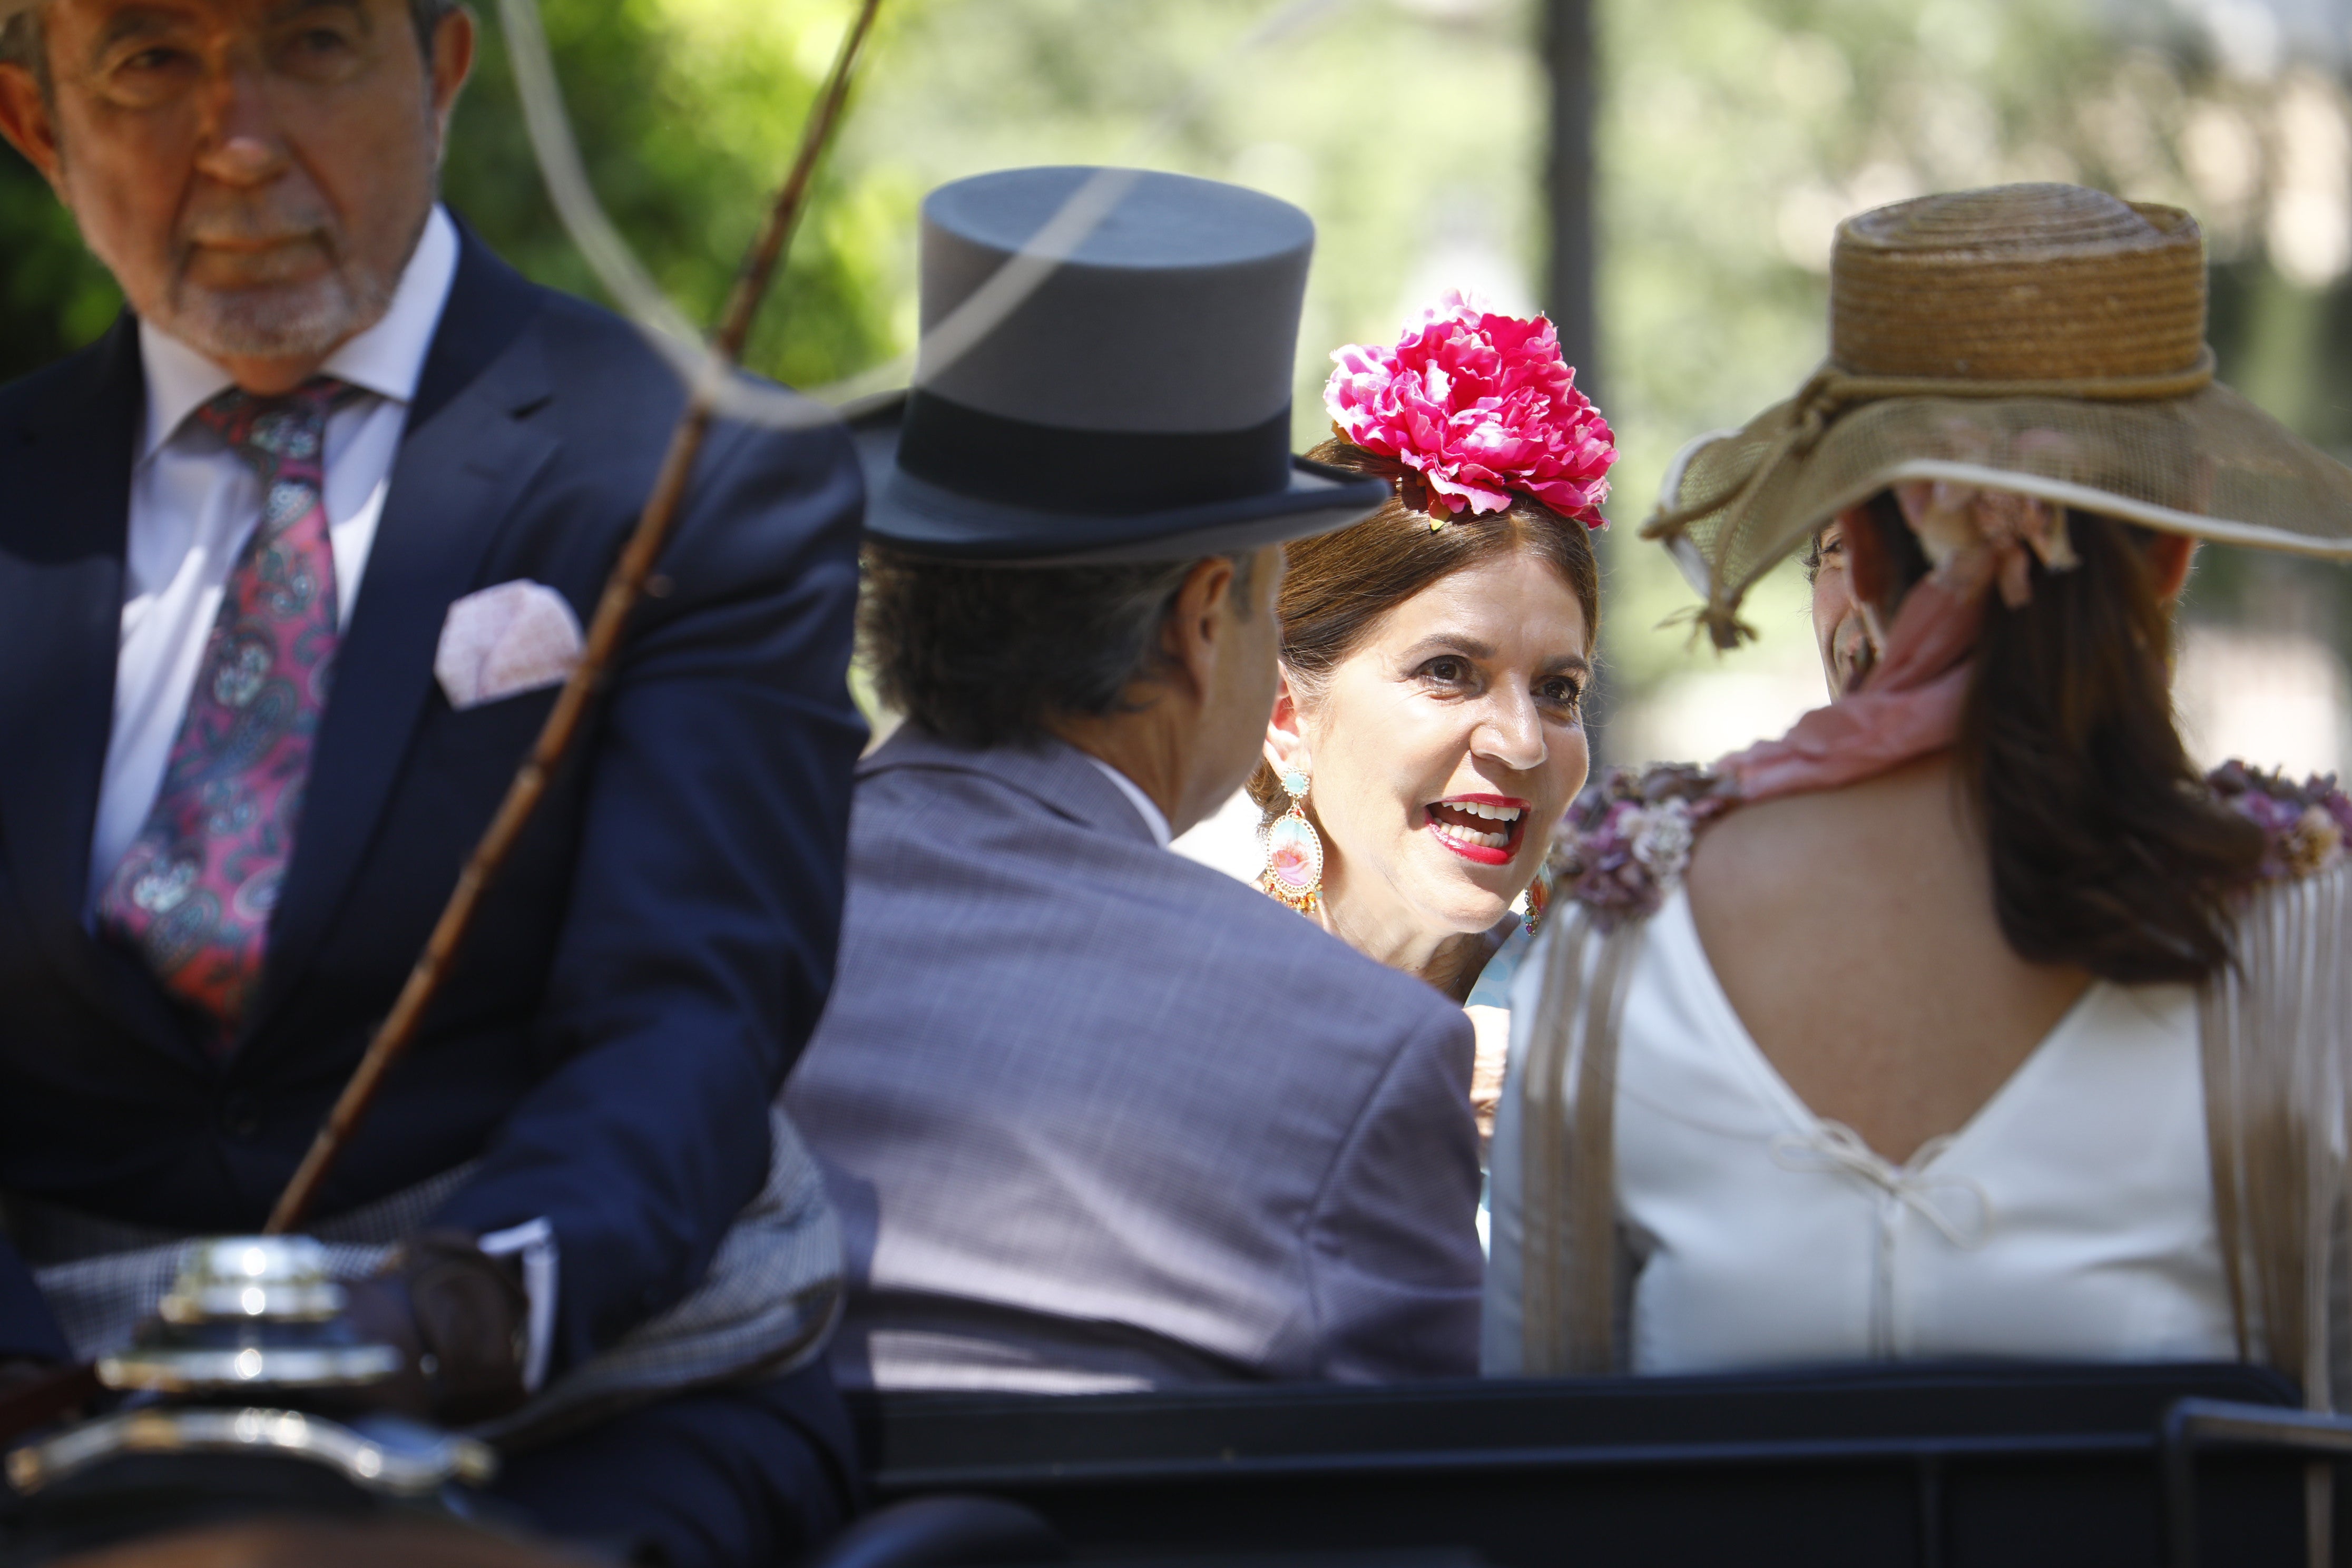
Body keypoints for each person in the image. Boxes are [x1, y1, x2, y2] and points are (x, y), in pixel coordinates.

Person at [0, 0, 863, 1560]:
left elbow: (688, 1015)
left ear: (444, 67)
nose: (242, 142)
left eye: (315, 43)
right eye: (150, 62)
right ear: (35, 126)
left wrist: (459, 1307)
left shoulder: (697, 468)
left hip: (571, 1388)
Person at [1486, 184, 2352, 1399]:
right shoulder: (2305, 934)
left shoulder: (1622, 916)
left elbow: (1545, 1461)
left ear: (1861, 544)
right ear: (2175, 543)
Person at [785, 166, 1486, 1393]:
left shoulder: (692, 921)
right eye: (1273, 604)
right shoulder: (1358, 1054)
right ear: (1206, 618)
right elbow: (1444, 1499)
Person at [1244, 292, 1613, 1150]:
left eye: (1558, 690)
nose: (1523, 741)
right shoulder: (1160, 1019)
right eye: (1449, 673)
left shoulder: (1642, 1045)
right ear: (1285, 714)